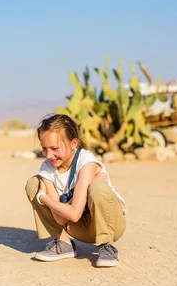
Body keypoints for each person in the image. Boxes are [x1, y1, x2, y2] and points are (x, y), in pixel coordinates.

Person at [25, 113, 127, 267]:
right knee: (33, 183)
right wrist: (46, 196)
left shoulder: (86, 162)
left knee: (97, 187)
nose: (49, 155)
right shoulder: (46, 168)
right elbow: (60, 219)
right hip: (78, 226)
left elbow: (73, 214)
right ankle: (63, 243)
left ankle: (107, 245)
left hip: (110, 224)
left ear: (74, 143)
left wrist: (44, 197)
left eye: (54, 148)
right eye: (44, 149)